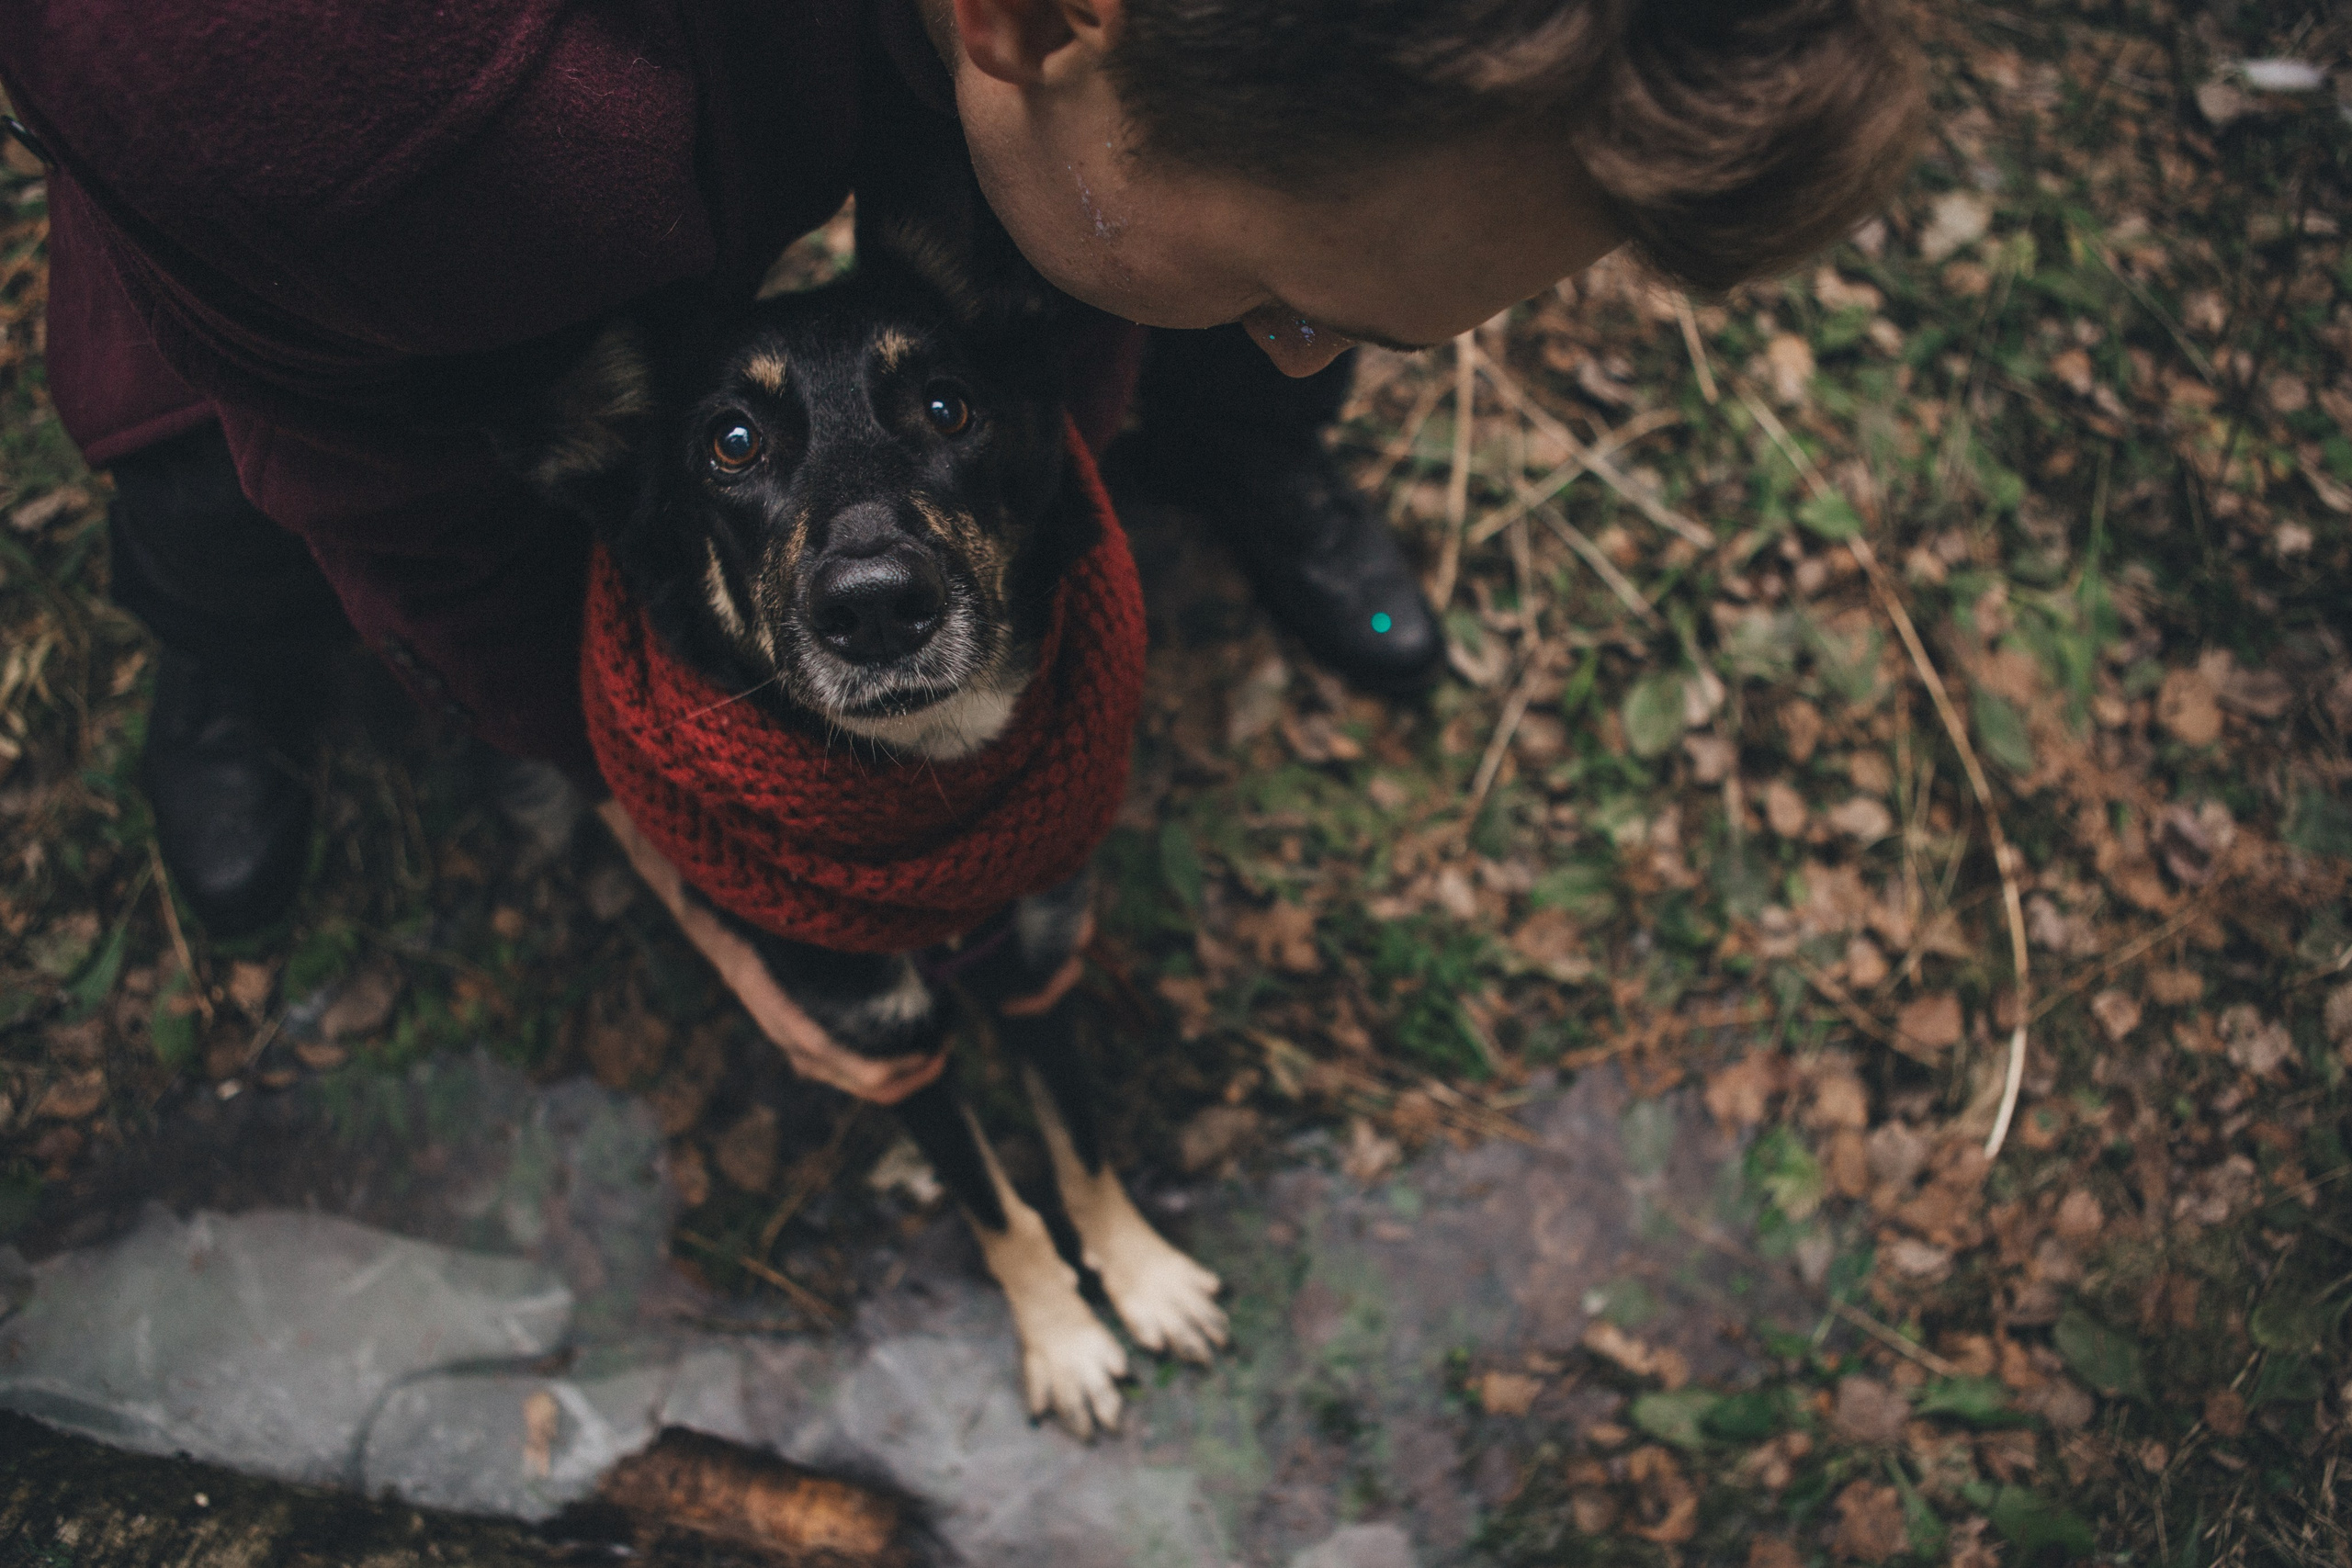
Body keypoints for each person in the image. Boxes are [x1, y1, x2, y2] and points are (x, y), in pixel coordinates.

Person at [1, 0, 1924, 1102]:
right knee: (228, 503)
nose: (1302, 336)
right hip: (333, 259)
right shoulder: (322, 111)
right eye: (1285, 291)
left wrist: (1026, 482)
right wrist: (648, 777)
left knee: (1124, 287)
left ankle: (1190, 443)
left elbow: (1070, 223)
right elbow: (386, 478)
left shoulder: (1100, 72)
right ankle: (225, 652)